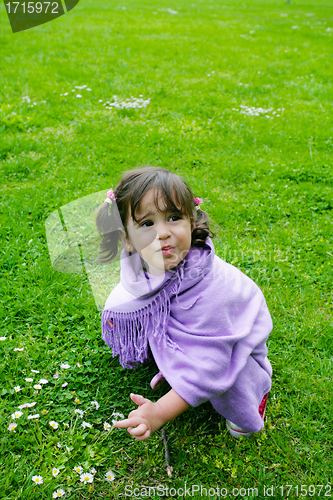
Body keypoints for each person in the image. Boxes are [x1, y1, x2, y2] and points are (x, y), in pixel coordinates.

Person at [96, 166, 273, 441]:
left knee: (231, 378)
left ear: (191, 222)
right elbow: (134, 296)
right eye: (146, 223)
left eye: (173, 217)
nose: (163, 232)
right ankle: (176, 359)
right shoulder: (143, 262)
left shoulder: (213, 290)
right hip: (200, 332)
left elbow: (210, 364)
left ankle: (254, 393)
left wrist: (159, 412)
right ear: (126, 238)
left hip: (229, 346)